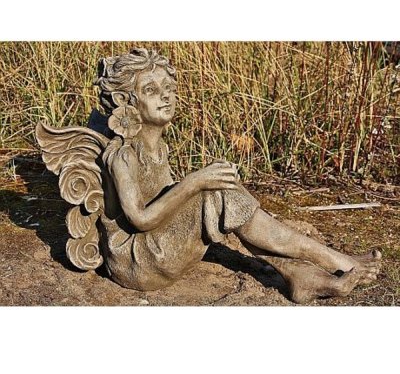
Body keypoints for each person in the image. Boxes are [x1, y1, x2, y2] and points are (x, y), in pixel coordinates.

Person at [38, 47, 381, 304]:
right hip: (140, 260)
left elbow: (166, 198)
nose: (165, 96)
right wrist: (195, 182)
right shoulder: (122, 154)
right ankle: (334, 260)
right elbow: (140, 219)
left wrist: (199, 183)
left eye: (168, 87)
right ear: (126, 101)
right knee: (216, 192)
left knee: (220, 194)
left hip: (158, 245)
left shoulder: (158, 146)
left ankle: (300, 274)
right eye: (151, 90)